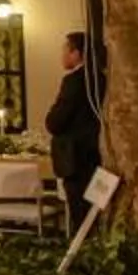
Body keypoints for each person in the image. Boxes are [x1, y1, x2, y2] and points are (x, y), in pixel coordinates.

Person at [43, 32, 101, 215]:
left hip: (77, 157)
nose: (62, 56)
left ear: (76, 53)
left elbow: (57, 121)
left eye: (65, 51)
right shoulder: (99, 77)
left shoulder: (75, 81)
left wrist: (50, 119)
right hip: (94, 154)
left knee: (80, 210)